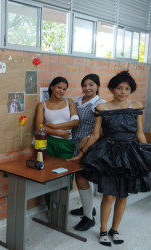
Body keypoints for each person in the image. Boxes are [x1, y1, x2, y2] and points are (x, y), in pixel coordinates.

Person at [69, 70, 151, 246]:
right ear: (112, 89)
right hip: (109, 155)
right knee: (109, 195)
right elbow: (95, 135)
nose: (123, 92)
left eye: (127, 88)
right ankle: (103, 230)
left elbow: (139, 133)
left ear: (131, 90)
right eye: (119, 88)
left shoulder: (136, 106)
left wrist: (146, 154)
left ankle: (115, 229)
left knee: (123, 196)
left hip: (131, 154)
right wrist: (81, 154)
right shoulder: (102, 108)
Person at [35, 76, 79, 206]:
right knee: (48, 174)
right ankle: (51, 208)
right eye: (59, 87)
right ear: (52, 87)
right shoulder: (42, 105)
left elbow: (75, 122)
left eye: (64, 89)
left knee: (65, 175)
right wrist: (57, 132)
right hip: (49, 143)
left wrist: (54, 126)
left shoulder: (69, 102)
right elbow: (39, 126)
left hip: (66, 144)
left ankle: (61, 209)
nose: (62, 91)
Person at [69, 74, 106, 231]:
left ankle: (88, 218)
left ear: (98, 86)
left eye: (91, 84)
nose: (87, 88)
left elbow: (103, 130)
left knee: (82, 177)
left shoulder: (101, 104)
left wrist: (87, 142)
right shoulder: (77, 100)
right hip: (74, 142)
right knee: (82, 177)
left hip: (89, 145)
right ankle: (88, 207)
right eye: (84, 85)